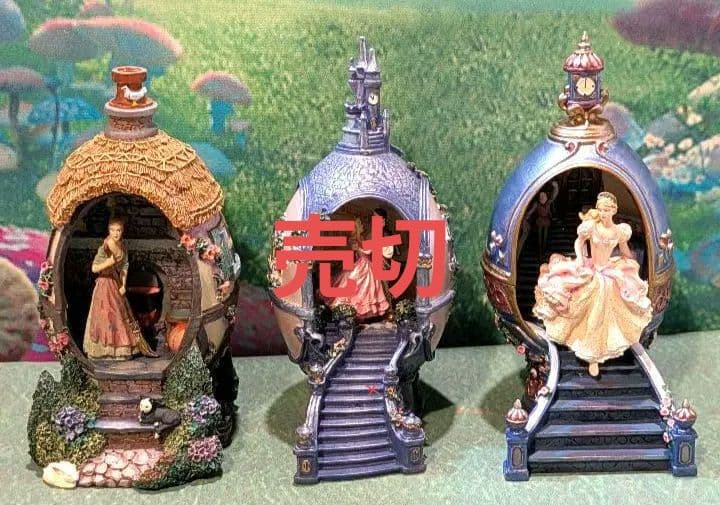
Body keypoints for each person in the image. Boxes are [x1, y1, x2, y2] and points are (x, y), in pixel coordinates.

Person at [532, 192, 652, 376]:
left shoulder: (620, 231)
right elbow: (579, 242)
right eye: (600, 210)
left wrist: (628, 261)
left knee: (609, 315)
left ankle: (596, 355)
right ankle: (590, 354)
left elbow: (625, 251)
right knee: (582, 309)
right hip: (593, 270)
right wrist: (580, 259)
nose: (603, 213)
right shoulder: (591, 227)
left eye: (607, 210)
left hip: (609, 273)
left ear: (614, 210)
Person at [83, 217, 157, 359]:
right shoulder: (105, 246)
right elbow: (94, 268)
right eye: (113, 230)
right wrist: (109, 262)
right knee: (107, 315)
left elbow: (124, 266)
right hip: (104, 283)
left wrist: (123, 284)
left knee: (119, 315)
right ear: (108, 230)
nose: (116, 233)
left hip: (115, 282)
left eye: (119, 230)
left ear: (122, 231)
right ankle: (105, 350)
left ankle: (120, 349)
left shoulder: (122, 246)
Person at [323, 209, 393, 321]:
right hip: (364, 263)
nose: (373, 220)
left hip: (371, 264)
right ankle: (348, 309)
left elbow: (385, 252)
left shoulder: (384, 234)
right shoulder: (366, 235)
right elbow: (365, 249)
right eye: (373, 218)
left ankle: (359, 309)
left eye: (377, 218)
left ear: (383, 221)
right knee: (349, 277)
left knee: (358, 278)